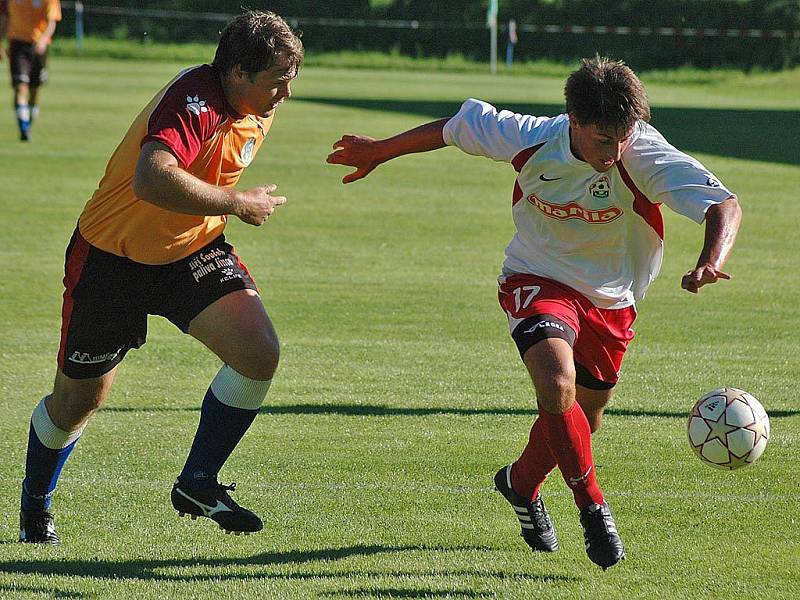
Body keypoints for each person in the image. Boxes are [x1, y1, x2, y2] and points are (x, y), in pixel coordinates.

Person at [327, 56, 741, 570]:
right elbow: (454, 129)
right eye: (601, 140)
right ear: (572, 121)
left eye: (621, 139)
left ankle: (519, 484)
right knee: (556, 381)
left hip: (612, 299)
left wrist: (709, 262)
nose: (613, 153)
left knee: (581, 417)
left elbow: (723, 205)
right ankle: (593, 507)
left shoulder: (646, 155)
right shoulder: (529, 137)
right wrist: (380, 150)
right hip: (536, 276)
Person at [18, 10, 303, 545]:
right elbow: (152, 178)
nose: (285, 95)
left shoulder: (254, 104)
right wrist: (236, 202)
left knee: (258, 351)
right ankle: (36, 503)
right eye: (278, 83)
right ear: (238, 73)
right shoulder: (196, 100)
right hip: (110, 261)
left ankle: (198, 480)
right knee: (77, 402)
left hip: (189, 253)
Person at [0, 0, 61, 141]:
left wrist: (44, 40)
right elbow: (4, 17)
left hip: (38, 47)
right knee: (20, 87)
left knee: (35, 90)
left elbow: (51, 21)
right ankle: (24, 129)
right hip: (17, 45)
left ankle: (28, 123)